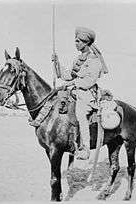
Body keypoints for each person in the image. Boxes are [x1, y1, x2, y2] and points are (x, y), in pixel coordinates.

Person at [52, 27, 108, 160]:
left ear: (85, 43)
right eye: (75, 41)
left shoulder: (94, 60)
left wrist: (71, 84)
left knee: (81, 115)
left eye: (78, 41)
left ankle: (85, 149)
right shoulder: (78, 60)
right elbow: (67, 76)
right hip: (75, 93)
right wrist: (57, 62)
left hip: (87, 95)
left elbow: (88, 81)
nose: (75, 43)